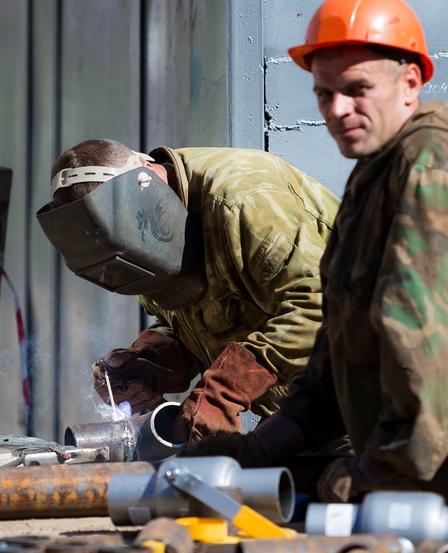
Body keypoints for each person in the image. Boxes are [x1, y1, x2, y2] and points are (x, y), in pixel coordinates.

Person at [180, 0, 448, 537]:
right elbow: (339, 351)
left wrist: (375, 472)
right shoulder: (373, 178)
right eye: (324, 94)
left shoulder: (431, 168)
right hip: (432, 478)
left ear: (411, 82)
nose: (338, 110)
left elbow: (424, 345)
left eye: (357, 89)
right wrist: (260, 447)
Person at [36, 139, 340, 444]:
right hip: (308, 418)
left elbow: (322, 304)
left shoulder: (244, 199)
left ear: (147, 176)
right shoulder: (138, 232)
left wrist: (226, 389)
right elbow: (199, 320)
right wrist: (153, 361)